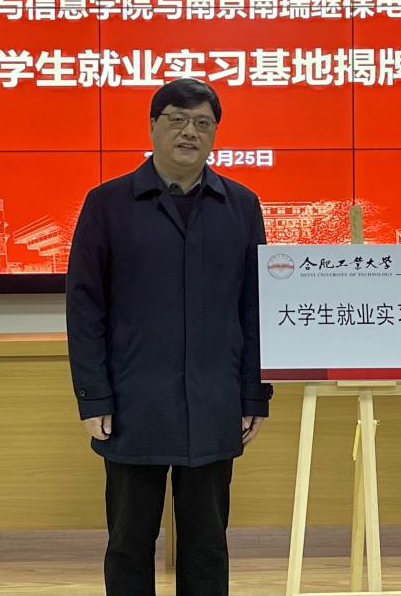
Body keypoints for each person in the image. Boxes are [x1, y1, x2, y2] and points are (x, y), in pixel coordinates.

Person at [66, 77, 273, 596]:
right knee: (129, 542)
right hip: (133, 403)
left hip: (213, 401)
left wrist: (254, 395)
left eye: (203, 123)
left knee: (207, 545)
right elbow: (85, 308)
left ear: (215, 134)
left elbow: (255, 308)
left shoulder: (241, 205)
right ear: (153, 127)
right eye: (177, 120)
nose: (190, 132)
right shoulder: (108, 203)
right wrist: (93, 395)